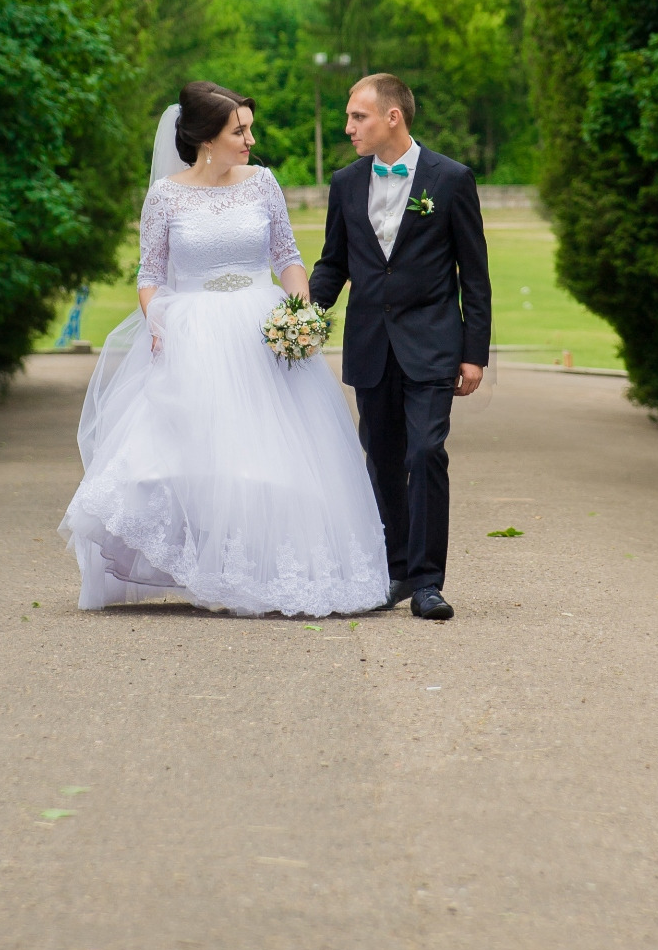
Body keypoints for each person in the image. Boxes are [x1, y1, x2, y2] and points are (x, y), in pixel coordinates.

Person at [61, 82, 390, 616]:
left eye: (248, 128)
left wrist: (299, 309)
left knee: (271, 454)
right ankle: (210, 566)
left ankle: (265, 569)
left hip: (260, 328)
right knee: (199, 456)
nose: (250, 139)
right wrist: (157, 315)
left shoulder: (262, 183)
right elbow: (150, 272)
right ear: (205, 138)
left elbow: (287, 255)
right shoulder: (165, 195)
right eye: (239, 130)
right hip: (193, 330)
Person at [309, 74, 492, 623]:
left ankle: (429, 581)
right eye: (347, 117)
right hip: (370, 345)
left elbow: (475, 276)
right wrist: (300, 319)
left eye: (357, 117)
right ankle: (395, 571)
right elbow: (333, 263)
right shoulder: (344, 183)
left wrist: (474, 353)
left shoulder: (452, 180)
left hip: (433, 345)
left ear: (393, 117)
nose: (348, 128)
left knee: (425, 452)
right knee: (384, 460)